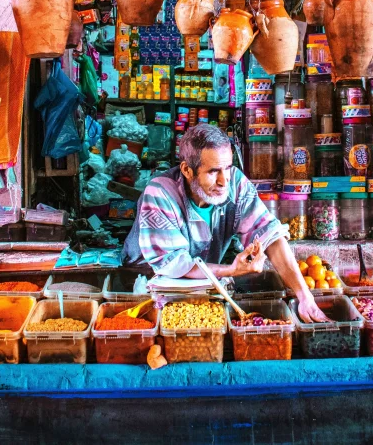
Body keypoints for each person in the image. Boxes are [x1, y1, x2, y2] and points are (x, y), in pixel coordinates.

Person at [123, 124, 328, 322]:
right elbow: (175, 264)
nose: (223, 181)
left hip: (202, 286)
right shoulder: (160, 193)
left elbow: (269, 235)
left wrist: (304, 296)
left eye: (228, 168)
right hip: (144, 288)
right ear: (187, 170)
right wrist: (231, 270)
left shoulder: (235, 183)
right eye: (213, 172)